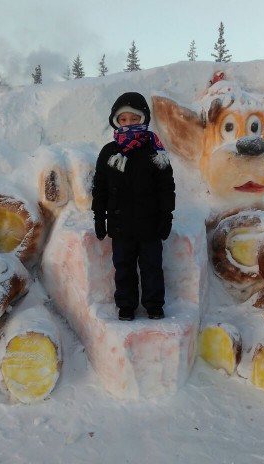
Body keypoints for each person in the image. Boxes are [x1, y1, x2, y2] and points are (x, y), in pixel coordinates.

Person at [91, 92, 175, 321]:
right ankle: (126, 306)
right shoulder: (109, 152)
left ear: (144, 119)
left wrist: (166, 216)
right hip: (121, 225)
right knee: (124, 268)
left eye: (134, 118)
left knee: (152, 268)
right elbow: (100, 187)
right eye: (123, 119)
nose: (129, 123)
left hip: (150, 224)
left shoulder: (155, 151)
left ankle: (154, 305)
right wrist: (99, 216)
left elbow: (166, 186)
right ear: (116, 121)